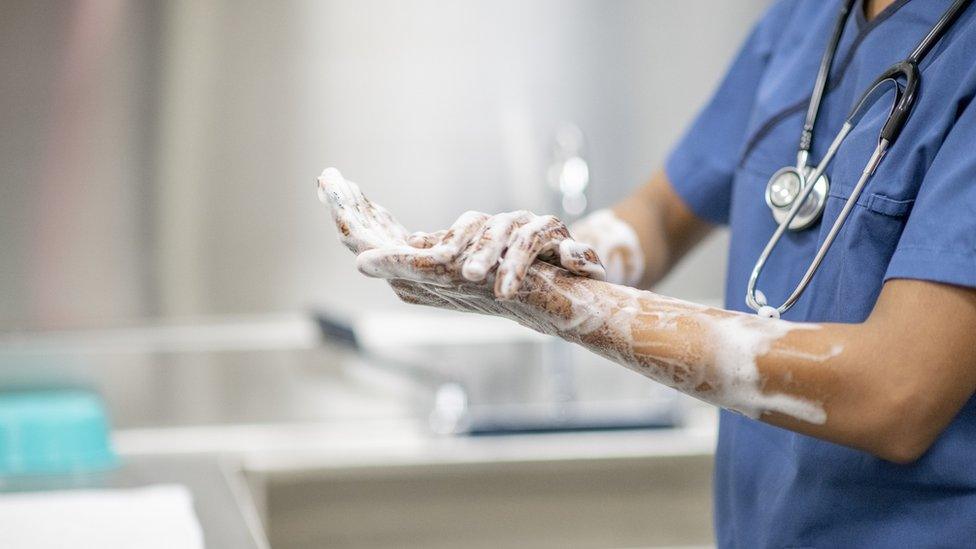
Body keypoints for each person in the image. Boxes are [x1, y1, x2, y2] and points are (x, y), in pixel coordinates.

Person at [320, 0, 976, 546]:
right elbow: (661, 215)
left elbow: (897, 394)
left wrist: (576, 306)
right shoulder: (808, 18)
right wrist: (551, 252)